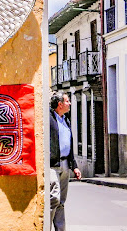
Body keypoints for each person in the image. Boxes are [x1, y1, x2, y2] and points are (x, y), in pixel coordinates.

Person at [49, 91, 81, 231]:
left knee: (61, 201)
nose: (70, 103)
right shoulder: (49, 119)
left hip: (65, 165)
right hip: (53, 165)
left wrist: (74, 166)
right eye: (67, 101)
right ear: (60, 104)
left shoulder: (65, 120)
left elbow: (69, 142)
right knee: (53, 198)